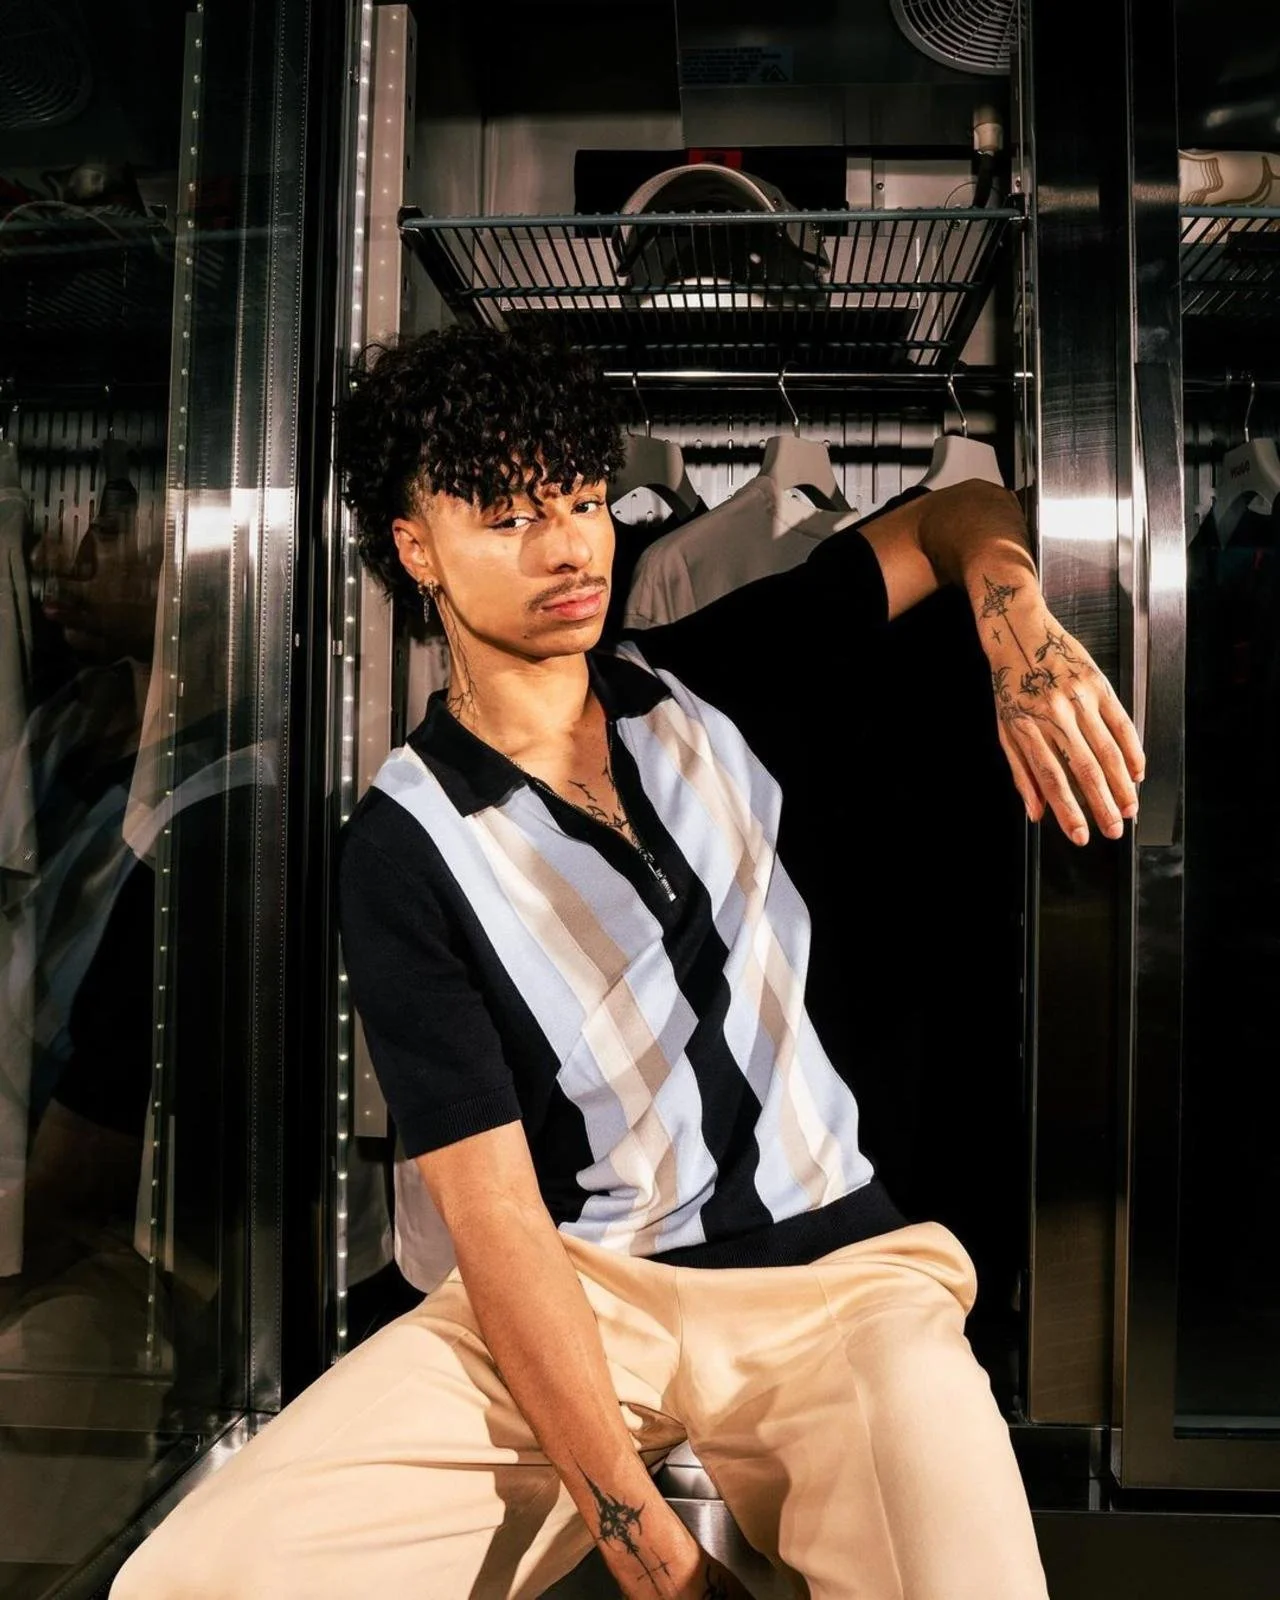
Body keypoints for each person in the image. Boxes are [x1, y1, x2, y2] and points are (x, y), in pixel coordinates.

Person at [113, 326, 1143, 1600]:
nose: (570, 548)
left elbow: (956, 510)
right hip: (582, 1288)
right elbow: (493, 1220)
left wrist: (1013, 621)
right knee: (200, 1577)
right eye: (508, 516)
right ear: (412, 544)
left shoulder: (709, 677)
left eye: (586, 500)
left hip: (839, 1278)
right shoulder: (401, 844)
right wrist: (648, 1548)